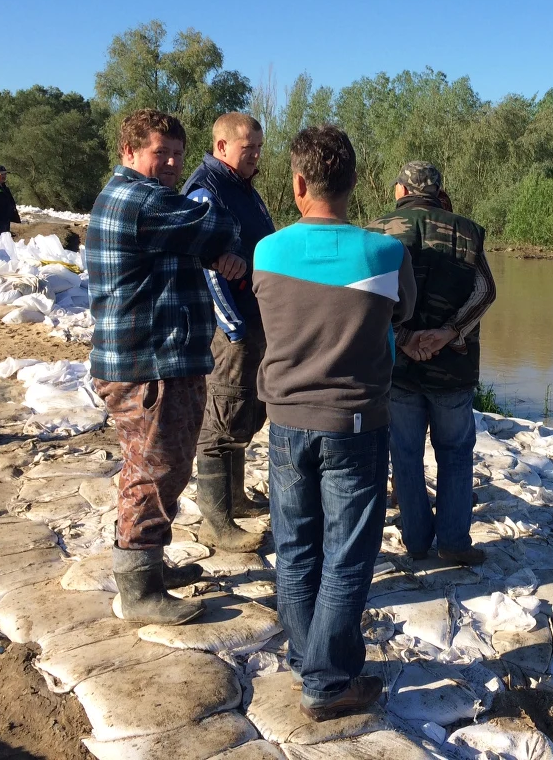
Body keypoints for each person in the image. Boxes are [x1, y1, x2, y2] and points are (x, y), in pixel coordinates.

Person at [254, 125, 415, 720]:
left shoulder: (266, 251)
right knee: (347, 554)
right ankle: (326, 682)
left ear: (298, 184)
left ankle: (308, 659)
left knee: (296, 547)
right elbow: (408, 310)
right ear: (353, 184)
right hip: (355, 422)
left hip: (286, 421)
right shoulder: (385, 252)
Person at [87, 109, 246, 626]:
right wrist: (219, 244)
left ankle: (149, 569)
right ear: (129, 153)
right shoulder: (138, 199)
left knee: (163, 468)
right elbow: (217, 221)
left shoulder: (153, 206)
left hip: (158, 359)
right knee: (151, 472)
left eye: (178, 152)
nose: (175, 163)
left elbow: (194, 239)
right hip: (147, 364)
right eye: (163, 153)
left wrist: (212, 252)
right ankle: (138, 594)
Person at [366, 161, 497, 566]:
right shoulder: (467, 230)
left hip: (398, 367)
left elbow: (369, 297)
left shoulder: (375, 230)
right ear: (439, 191)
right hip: (453, 367)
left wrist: (404, 339)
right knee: (455, 452)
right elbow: (485, 291)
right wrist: (448, 332)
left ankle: (417, 540)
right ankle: (454, 541)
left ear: (400, 191)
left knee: (404, 452)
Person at [182, 112, 275, 553]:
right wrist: (234, 326)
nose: (256, 156)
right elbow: (205, 264)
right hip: (230, 326)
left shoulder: (242, 187)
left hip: (252, 318)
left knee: (243, 408)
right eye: (247, 148)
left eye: (259, 147)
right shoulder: (207, 190)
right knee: (221, 414)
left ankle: (235, 497)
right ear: (221, 146)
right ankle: (216, 521)